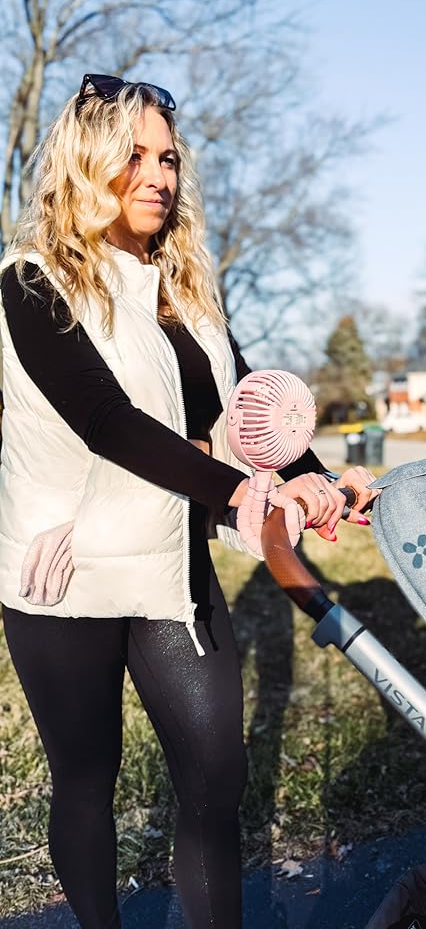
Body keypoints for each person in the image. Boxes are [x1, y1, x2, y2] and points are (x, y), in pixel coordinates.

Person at [0, 72, 378, 929]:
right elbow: (107, 421)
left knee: (215, 780)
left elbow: (241, 407)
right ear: (85, 162)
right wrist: (242, 493)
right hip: (68, 579)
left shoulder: (187, 293)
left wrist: (310, 475)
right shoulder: (31, 282)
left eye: (167, 158)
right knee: (87, 786)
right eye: (132, 155)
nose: (158, 175)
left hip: (170, 567)